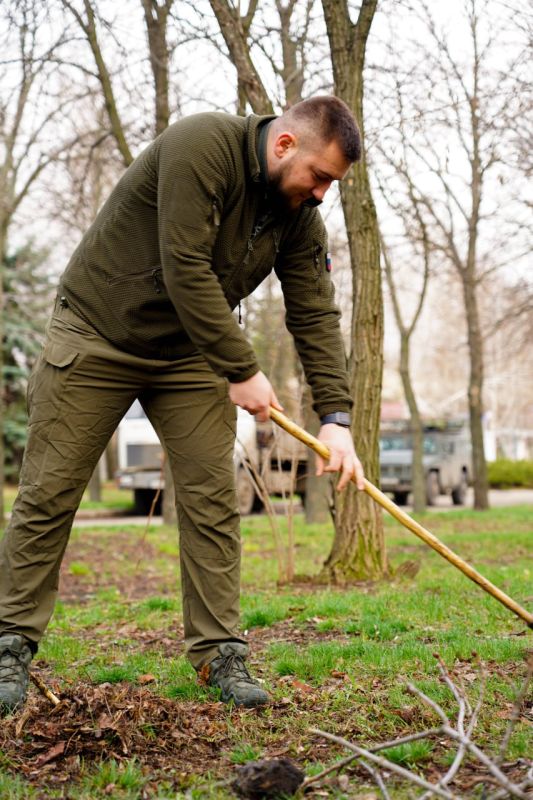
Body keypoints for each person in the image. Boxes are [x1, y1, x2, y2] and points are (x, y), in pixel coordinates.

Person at [0, 95, 365, 713]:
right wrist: (243, 370)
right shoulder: (203, 145)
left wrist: (336, 420)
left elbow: (314, 313)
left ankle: (219, 652)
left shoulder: (299, 215)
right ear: (284, 146)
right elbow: (184, 265)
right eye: (321, 176)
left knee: (211, 501)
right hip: (97, 333)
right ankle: (9, 645)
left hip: (191, 353)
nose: (323, 192)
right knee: (48, 493)